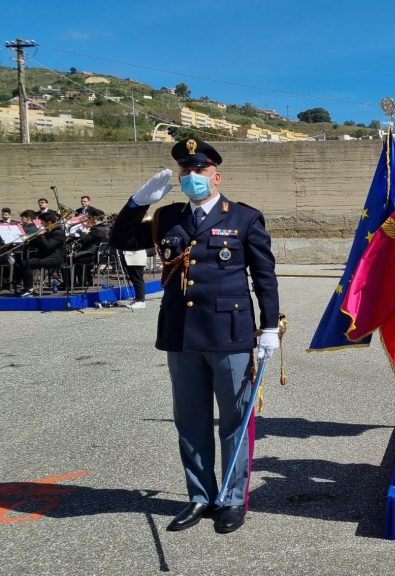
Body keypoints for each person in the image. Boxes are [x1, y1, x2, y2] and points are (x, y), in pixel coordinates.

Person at [110, 138, 280, 534]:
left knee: (235, 420)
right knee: (191, 420)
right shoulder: (169, 217)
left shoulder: (243, 217)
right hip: (181, 334)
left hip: (229, 333)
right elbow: (120, 240)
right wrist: (138, 203)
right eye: (185, 172)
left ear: (216, 176)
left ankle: (233, 499)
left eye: (199, 171)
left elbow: (264, 277)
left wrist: (268, 326)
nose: (191, 178)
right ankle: (201, 496)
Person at [15, 211, 65, 296]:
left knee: (28, 263)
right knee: (20, 259)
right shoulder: (48, 231)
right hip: (45, 256)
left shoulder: (58, 233)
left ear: (49, 222)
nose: (41, 224)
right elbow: (40, 245)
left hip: (54, 258)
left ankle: (30, 289)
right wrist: (29, 241)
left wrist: (41, 235)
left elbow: (47, 247)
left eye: (42, 222)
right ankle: (22, 286)